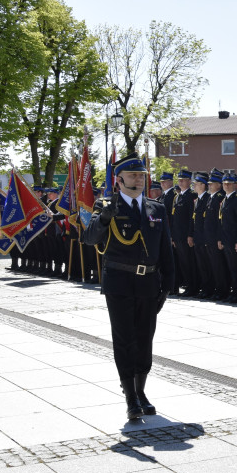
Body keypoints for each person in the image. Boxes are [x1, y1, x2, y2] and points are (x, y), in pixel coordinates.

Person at [83, 154, 174, 420]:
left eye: (142, 175)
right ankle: (129, 397)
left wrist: (168, 284)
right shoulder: (106, 205)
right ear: (119, 179)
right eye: (134, 175)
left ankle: (141, 390)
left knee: (145, 339)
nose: (139, 179)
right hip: (119, 283)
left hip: (149, 282)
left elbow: (165, 249)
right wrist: (103, 219)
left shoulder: (156, 209)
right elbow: (89, 239)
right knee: (124, 340)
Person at [219, 172, 237, 303]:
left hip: (234, 240)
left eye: (229, 183)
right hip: (226, 240)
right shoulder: (224, 200)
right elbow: (221, 222)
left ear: (233, 184)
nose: (226, 186)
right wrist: (220, 239)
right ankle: (234, 291)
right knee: (231, 268)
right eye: (224, 184)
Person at [171, 170, 197, 297]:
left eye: (183, 179)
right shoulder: (178, 196)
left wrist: (190, 235)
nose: (180, 182)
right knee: (183, 263)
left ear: (189, 181)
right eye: (179, 179)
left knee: (189, 262)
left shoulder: (191, 196)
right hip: (178, 236)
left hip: (186, 236)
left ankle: (192, 286)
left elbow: (191, 218)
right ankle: (187, 285)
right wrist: (174, 237)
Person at [206, 169, 229, 300]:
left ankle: (222, 290)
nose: (209, 186)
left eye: (212, 183)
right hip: (210, 239)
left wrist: (219, 238)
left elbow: (219, 221)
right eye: (209, 184)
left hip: (216, 239)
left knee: (219, 267)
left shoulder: (220, 198)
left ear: (219, 185)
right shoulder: (212, 197)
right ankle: (218, 289)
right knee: (214, 266)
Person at [192, 171, 214, 298]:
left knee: (207, 265)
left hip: (205, 238)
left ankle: (209, 288)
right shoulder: (198, 200)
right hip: (198, 237)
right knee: (201, 265)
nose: (194, 186)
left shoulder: (207, 199)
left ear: (203, 185)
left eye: (197, 184)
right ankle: (204, 287)